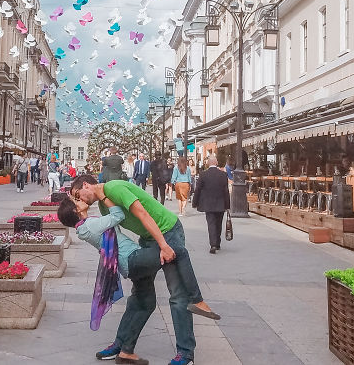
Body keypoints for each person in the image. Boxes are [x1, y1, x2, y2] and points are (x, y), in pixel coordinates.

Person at [70, 176, 219, 365]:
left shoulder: (114, 188)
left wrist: (164, 245)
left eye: (78, 195)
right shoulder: (103, 204)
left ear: (86, 185)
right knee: (141, 297)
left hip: (166, 231)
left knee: (177, 295)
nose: (80, 200)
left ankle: (186, 353)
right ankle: (123, 345)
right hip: (147, 239)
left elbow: (142, 214)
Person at [59, 196, 165, 364]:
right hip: (133, 259)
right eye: (76, 201)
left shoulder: (86, 225)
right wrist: (104, 196)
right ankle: (126, 349)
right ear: (76, 210)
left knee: (141, 303)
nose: (80, 199)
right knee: (173, 251)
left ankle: (121, 346)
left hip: (130, 262)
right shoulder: (90, 226)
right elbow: (118, 216)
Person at [192, 154, 230, 253]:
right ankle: (217, 242)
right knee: (218, 223)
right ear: (216, 163)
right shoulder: (223, 175)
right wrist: (227, 205)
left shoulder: (203, 174)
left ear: (208, 163)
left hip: (208, 203)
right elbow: (226, 191)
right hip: (220, 203)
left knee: (211, 223)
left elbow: (198, 190)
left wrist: (194, 202)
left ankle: (213, 244)